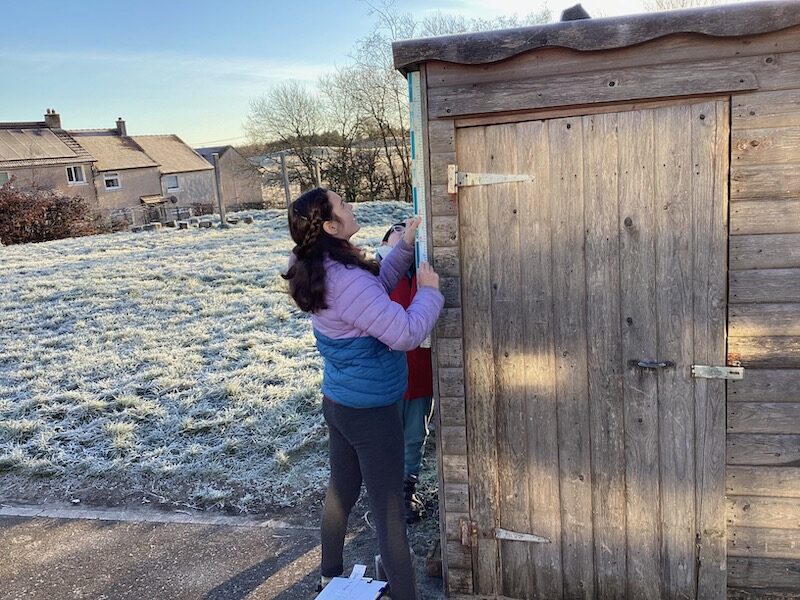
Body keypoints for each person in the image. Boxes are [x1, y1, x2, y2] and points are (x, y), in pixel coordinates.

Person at [282, 188, 443, 600]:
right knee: (389, 511)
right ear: (331, 225)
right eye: (344, 205)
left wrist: (404, 246)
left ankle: (329, 576)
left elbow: (372, 293)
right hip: (371, 412)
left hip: (340, 402)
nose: (351, 206)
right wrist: (428, 292)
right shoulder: (345, 277)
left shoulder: (316, 262)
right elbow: (405, 332)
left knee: (341, 490)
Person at [377, 223, 434, 525]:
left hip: (421, 371)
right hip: (388, 372)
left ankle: (405, 491)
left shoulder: (424, 269)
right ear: (385, 241)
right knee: (387, 437)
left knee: (414, 436)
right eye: (395, 230)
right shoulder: (375, 273)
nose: (403, 231)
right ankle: (383, 495)